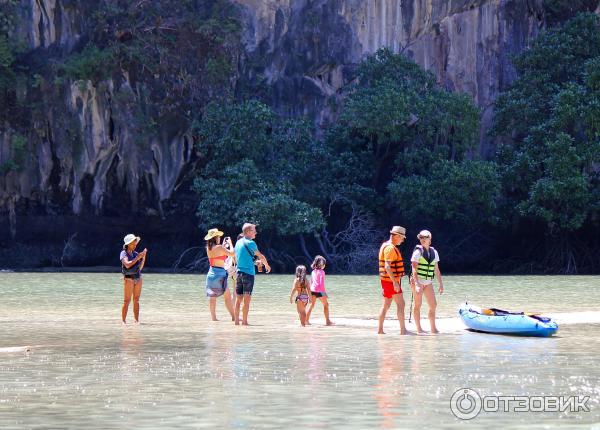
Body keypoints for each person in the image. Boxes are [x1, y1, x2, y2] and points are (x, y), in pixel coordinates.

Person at [233, 223, 271, 325]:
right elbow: (260, 256)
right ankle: (245, 323)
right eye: (254, 230)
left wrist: (253, 263)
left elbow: (239, 259)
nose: (256, 232)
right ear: (249, 231)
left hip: (239, 273)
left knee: (238, 299)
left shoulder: (238, 242)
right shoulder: (251, 243)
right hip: (248, 274)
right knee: (246, 300)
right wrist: (267, 265)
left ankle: (236, 322)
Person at [410, 230, 443, 334]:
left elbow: (436, 269)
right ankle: (419, 329)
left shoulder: (434, 252)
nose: (423, 239)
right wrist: (416, 284)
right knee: (418, 305)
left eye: (425, 237)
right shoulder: (417, 252)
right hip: (417, 281)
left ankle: (433, 328)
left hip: (428, 282)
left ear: (430, 239)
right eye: (421, 238)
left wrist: (441, 284)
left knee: (433, 305)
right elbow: (414, 269)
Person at [377, 226, 407, 335]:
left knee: (386, 305)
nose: (403, 240)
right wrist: (395, 282)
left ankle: (380, 330)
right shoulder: (390, 248)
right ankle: (403, 331)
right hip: (391, 282)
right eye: (402, 237)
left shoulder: (385, 245)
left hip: (386, 282)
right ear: (397, 236)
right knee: (401, 304)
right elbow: (387, 267)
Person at [205, 228, 236, 321]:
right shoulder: (219, 248)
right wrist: (230, 243)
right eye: (218, 236)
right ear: (215, 238)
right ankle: (234, 317)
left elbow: (217, 253)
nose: (219, 237)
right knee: (227, 297)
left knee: (212, 297)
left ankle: (214, 319)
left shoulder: (208, 248)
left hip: (211, 274)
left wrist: (223, 245)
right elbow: (232, 253)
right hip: (220, 275)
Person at [120, 234, 147, 325]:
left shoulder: (135, 254)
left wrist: (143, 257)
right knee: (127, 301)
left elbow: (140, 268)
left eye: (135, 241)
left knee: (136, 300)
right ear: (128, 244)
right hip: (129, 279)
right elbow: (127, 264)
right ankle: (123, 321)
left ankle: (136, 320)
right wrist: (138, 257)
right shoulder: (123, 253)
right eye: (133, 242)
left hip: (138, 278)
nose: (135, 243)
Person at [305, 255, 333, 326]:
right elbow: (321, 283)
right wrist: (324, 293)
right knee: (326, 305)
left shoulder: (313, 272)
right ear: (321, 264)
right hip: (320, 291)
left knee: (311, 305)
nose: (324, 265)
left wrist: (309, 292)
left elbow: (311, 282)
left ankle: (306, 321)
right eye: (324, 264)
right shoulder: (322, 272)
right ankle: (327, 321)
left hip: (312, 290)